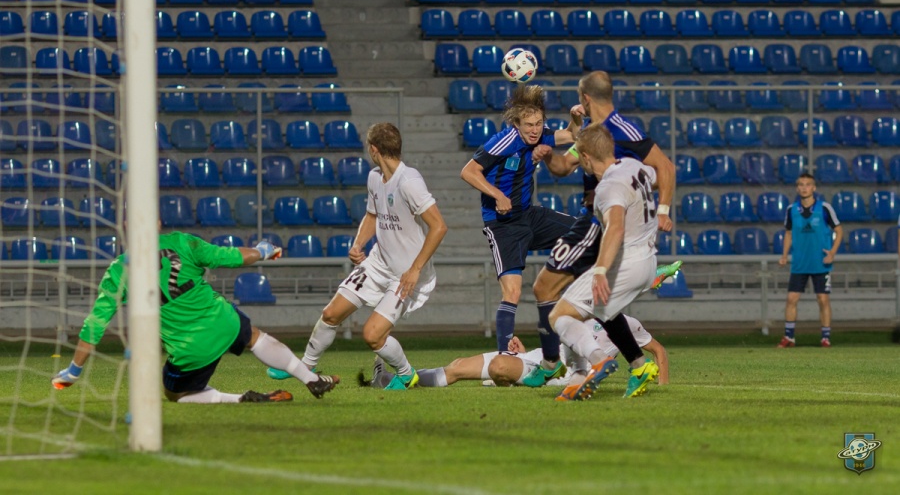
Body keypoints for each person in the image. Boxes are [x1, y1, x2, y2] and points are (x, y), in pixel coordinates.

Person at [521, 71, 676, 388]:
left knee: (545, 289)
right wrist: (549, 156)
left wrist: (662, 209)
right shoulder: (592, 133)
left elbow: (665, 167)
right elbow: (564, 167)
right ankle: (635, 365)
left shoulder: (623, 130)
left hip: (594, 223)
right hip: (598, 218)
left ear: (586, 98)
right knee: (597, 303)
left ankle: (555, 363)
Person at [52, 234, 339, 403]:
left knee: (174, 394)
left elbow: (94, 326)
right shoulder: (182, 241)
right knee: (255, 337)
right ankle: (310, 378)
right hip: (224, 321)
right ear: (157, 223)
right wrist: (263, 251)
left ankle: (239, 399)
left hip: (190, 348)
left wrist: (74, 371)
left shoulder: (118, 271)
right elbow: (231, 256)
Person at [273, 123, 447, 390]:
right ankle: (306, 365)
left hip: (405, 274)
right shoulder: (375, 177)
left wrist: (415, 270)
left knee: (373, 335)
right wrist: (358, 244)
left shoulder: (409, 181)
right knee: (331, 314)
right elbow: (372, 215)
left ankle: (406, 374)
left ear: (374, 149)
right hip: (377, 263)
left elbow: (439, 227)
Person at [460, 84, 579, 357]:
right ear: (516, 124)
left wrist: (575, 118)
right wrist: (498, 195)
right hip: (503, 224)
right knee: (512, 292)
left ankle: (597, 290)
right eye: (528, 125)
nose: (535, 130)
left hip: (529, 215)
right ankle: (505, 357)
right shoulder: (503, 141)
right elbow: (468, 171)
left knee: (585, 232)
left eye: (538, 123)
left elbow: (573, 134)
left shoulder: (541, 136)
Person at [549, 123, 661, 400]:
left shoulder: (608, 187)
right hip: (649, 260)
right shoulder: (636, 167)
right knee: (604, 311)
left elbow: (615, 228)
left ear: (586, 158)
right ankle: (639, 365)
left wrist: (600, 270)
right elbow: (662, 175)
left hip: (627, 263)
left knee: (560, 315)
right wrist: (666, 207)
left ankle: (597, 362)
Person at [362, 314, 669, 393]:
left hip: (560, 376)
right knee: (456, 366)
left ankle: (514, 378)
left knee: (498, 366)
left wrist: (662, 386)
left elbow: (658, 351)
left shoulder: (628, 324)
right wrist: (526, 352)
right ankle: (389, 379)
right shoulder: (582, 309)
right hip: (538, 357)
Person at [778, 173, 842, 348]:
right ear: (797, 188)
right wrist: (784, 255)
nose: (804, 188)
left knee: (823, 299)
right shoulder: (791, 210)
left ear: (814, 188)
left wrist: (833, 252)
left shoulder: (825, 208)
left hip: (821, 262)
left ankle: (825, 338)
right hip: (799, 263)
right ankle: (789, 337)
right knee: (791, 299)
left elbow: (839, 230)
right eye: (801, 184)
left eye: (807, 184)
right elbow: (788, 233)